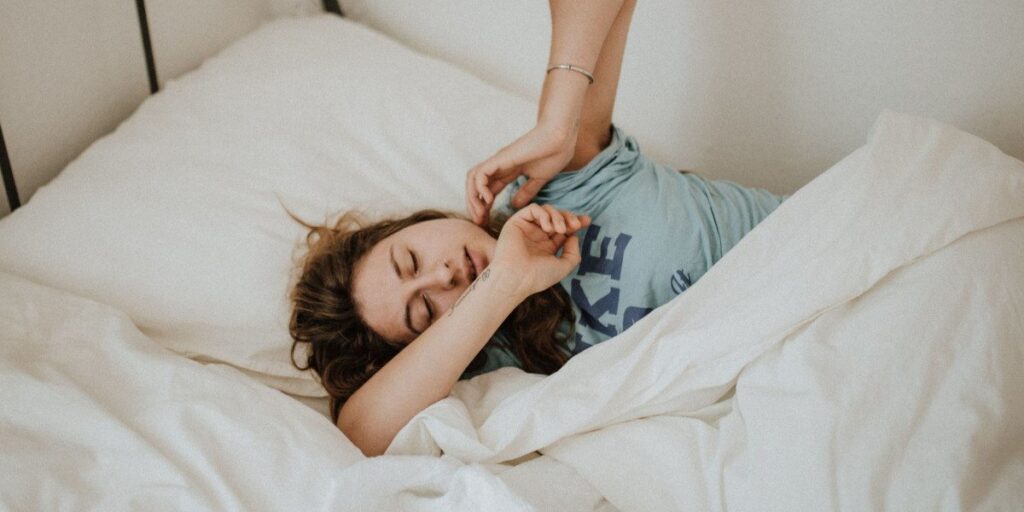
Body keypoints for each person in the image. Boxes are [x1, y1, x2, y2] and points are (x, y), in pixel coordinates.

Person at [289, 0, 784, 457]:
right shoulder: (500, 364)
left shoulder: (559, 186)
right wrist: (501, 284)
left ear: (421, 222)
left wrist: (557, 122)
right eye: (423, 312)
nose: (441, 279)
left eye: (411, 260)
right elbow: (361, 435)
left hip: (814, 258)